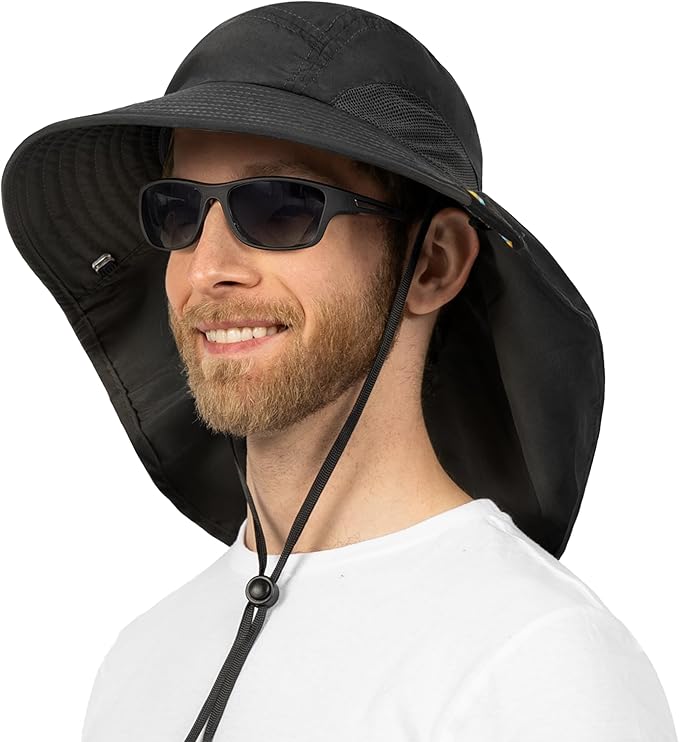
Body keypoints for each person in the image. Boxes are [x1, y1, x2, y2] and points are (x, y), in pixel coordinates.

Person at [2, 3, 676, 741]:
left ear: (433, 263)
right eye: (180, 211)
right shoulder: (141, 659)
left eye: (280, 206)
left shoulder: (537, 660)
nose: (206, 269)